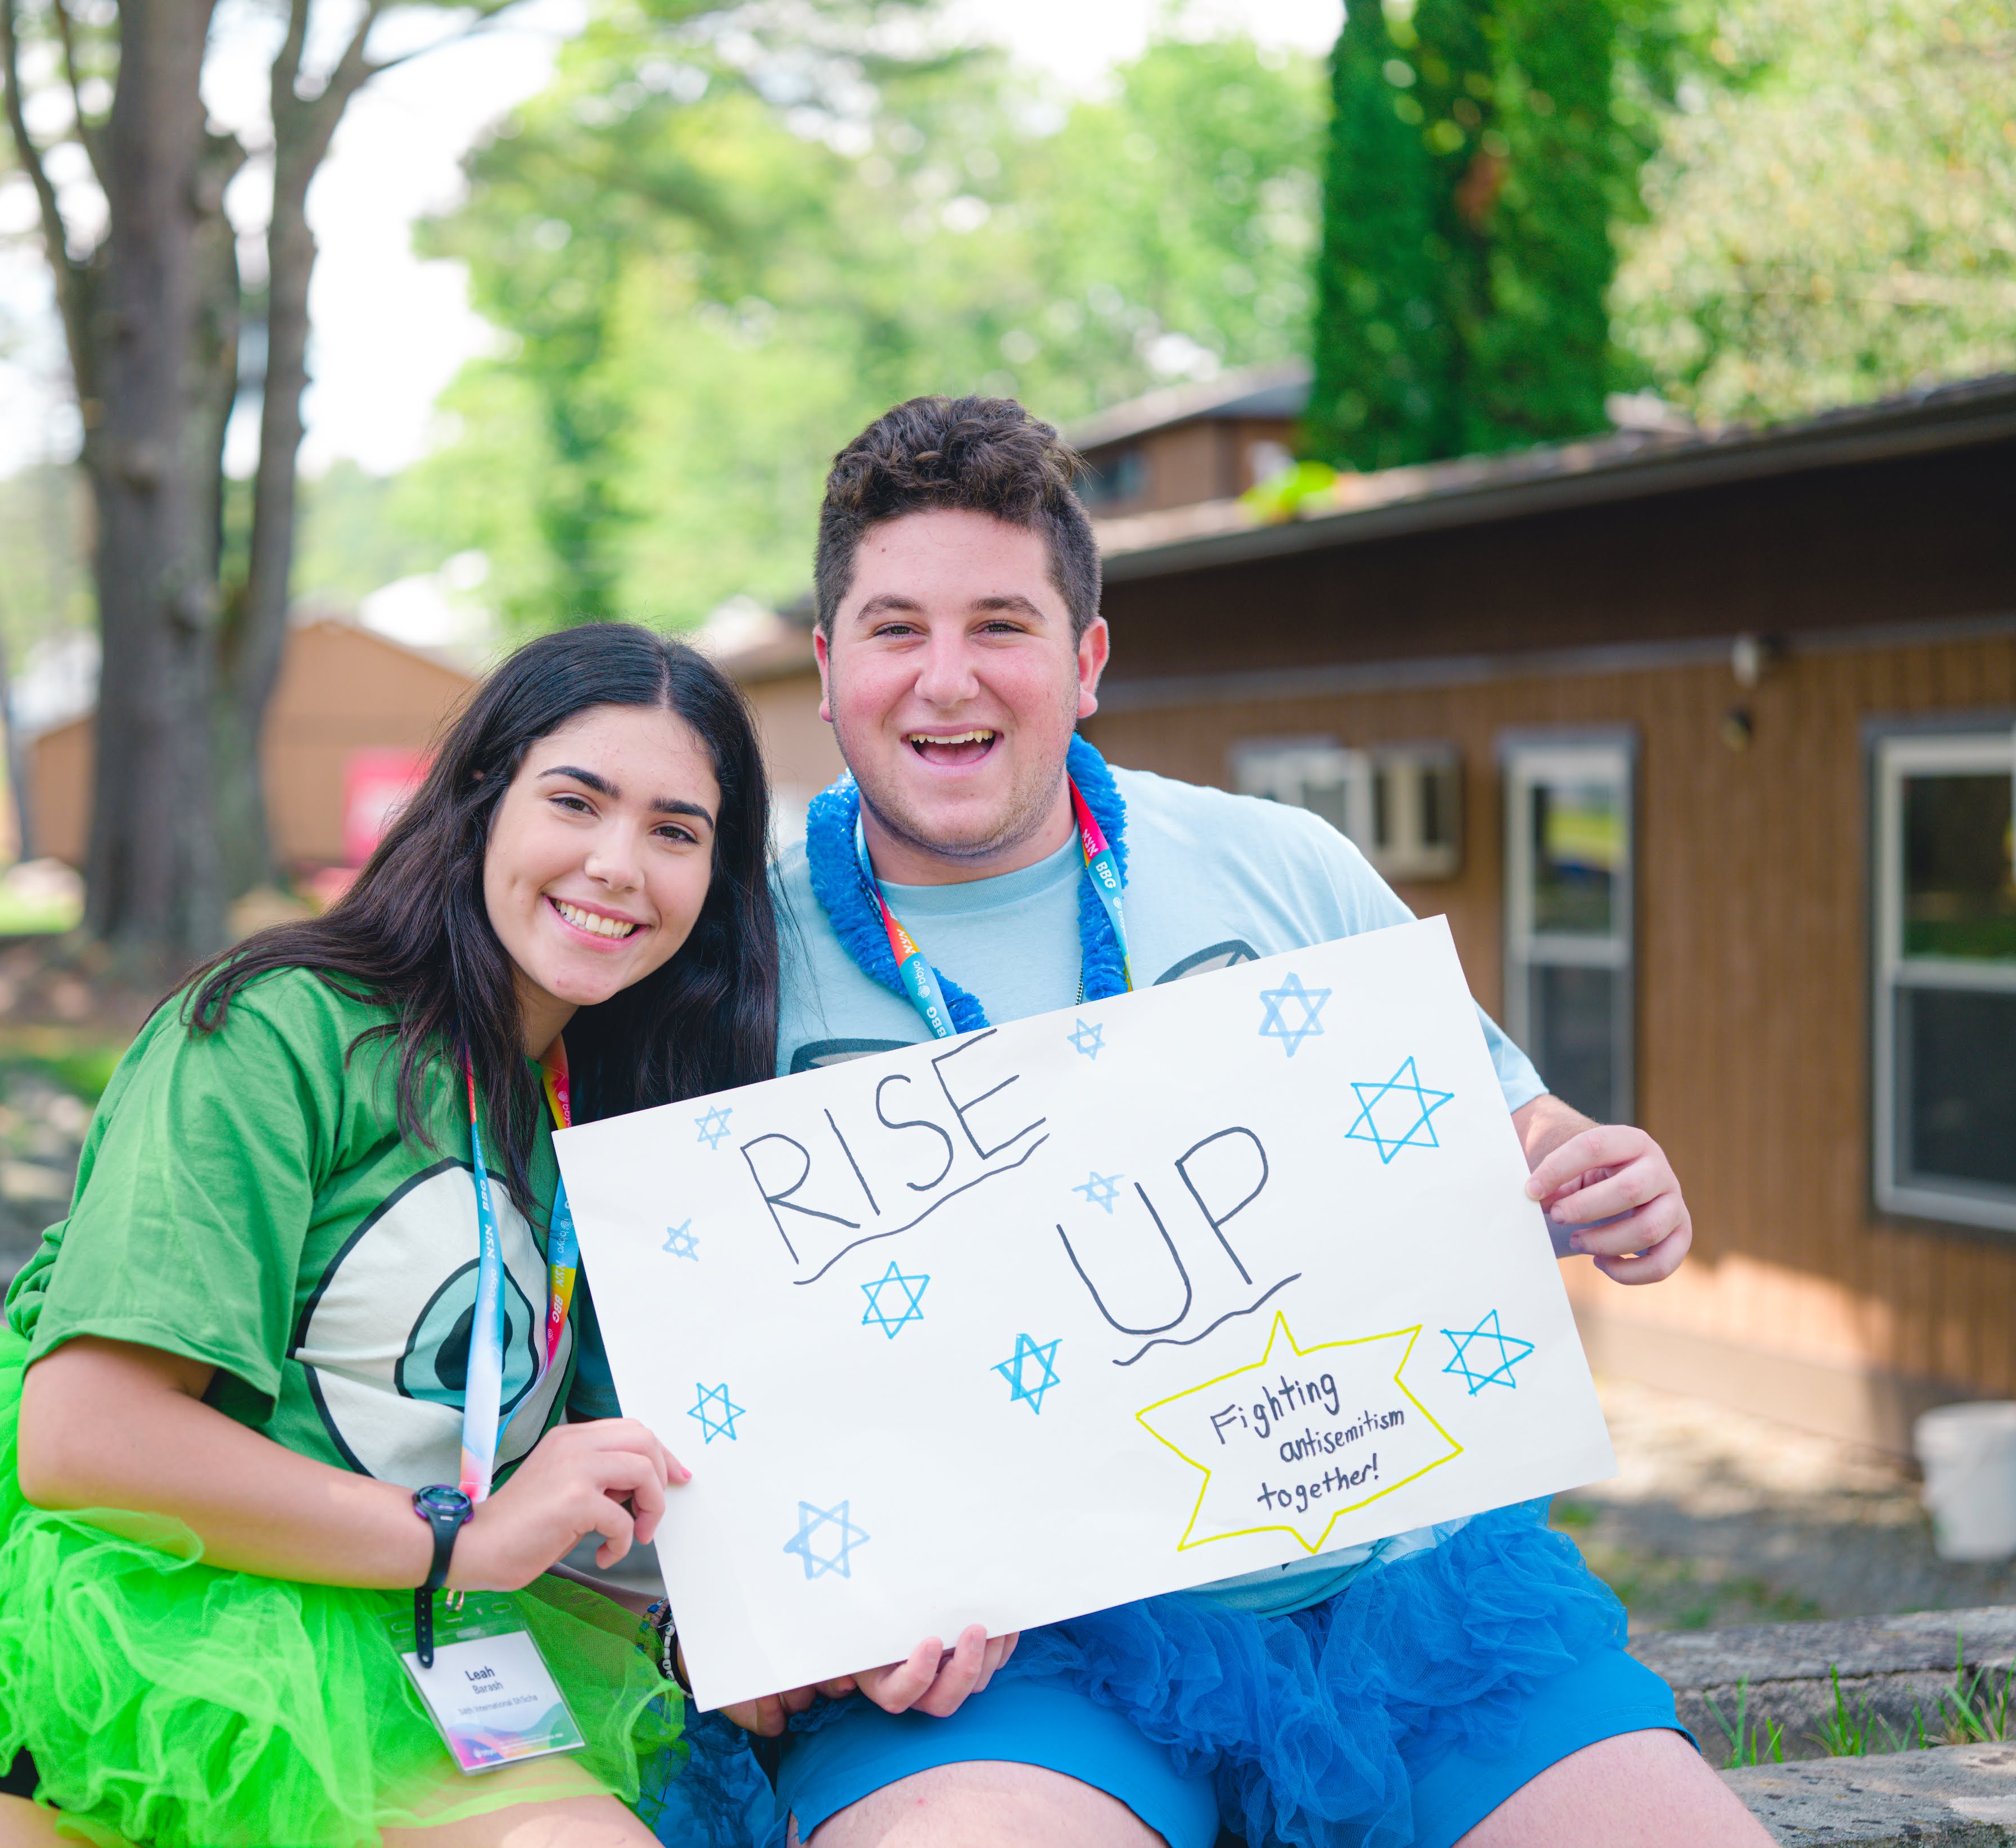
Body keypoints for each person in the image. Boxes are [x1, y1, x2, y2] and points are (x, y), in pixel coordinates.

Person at [711, 397, 1773, 1848]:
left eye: (1002, 625)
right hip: (1007, 1658)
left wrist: (1605, 1174)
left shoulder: (1277, 864)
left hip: (1395, 1601)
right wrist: (796, 1616)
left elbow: (1515, 1128)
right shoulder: (730, 958)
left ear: (1087, 661)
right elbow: (674, 1373)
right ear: (828, 670)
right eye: (896, 629)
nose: (946, 678)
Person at [0, 623, 782, 1848]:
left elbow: (596, 1483)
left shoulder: (616, 1119)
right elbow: (86, 1436)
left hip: (382, 1661)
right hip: (61, 1643)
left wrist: (753, 1633)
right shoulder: (272, 1030)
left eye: (676, 831)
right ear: (480, 800)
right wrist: (461, 1541)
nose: (618, 864)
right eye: (575, 802)